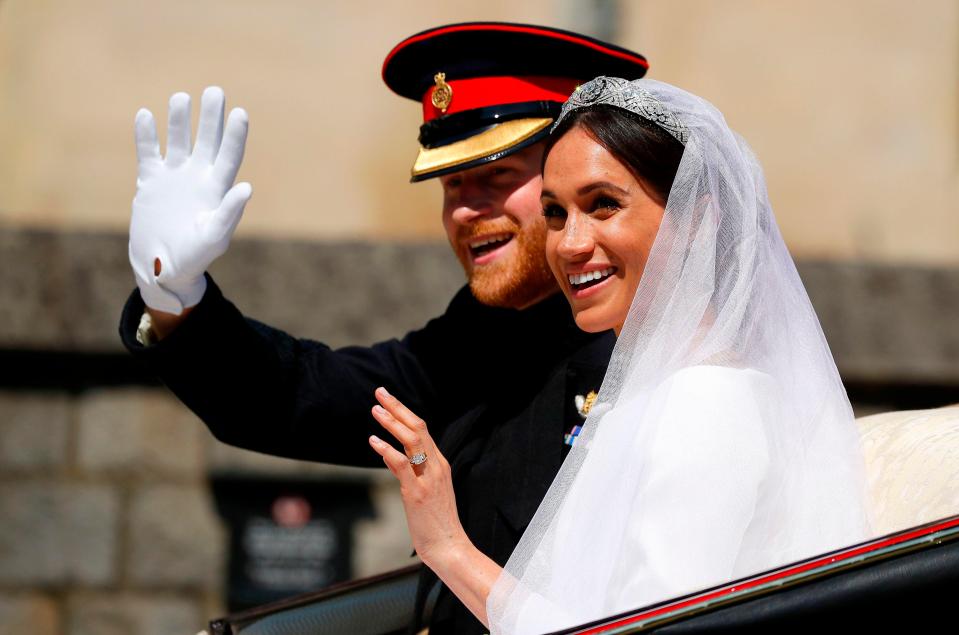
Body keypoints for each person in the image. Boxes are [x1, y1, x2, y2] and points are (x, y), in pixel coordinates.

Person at [118, 23, 650, 635]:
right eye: (451, 184)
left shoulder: (655, 339)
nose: (467, 209)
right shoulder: (484, 332)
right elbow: (308, 397)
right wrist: (176, 297)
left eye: (496, 176)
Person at [367, 76, 871, 633]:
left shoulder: (706, 400)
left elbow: (638, 630)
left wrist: (449, 547)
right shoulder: (652, 388)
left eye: (604, 204)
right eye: (555, 213)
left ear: (699, 220)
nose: (570, 243)